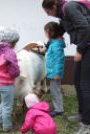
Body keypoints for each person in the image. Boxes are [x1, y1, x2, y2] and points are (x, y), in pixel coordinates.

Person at [42, 0, 90, 133]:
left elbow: (85, 27)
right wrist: (46, 45)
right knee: (77, 82)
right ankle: (82, 114)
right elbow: (59, 32)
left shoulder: (69, 7)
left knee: (85, 85)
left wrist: (79, 51)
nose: (48, 15)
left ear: (54, 7)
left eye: (48, 12)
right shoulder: (63, 15)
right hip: (85, 46)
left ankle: (86, 124)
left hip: (87, 47)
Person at [0, 27, 20, 133]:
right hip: (6, 84)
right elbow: (14, 71)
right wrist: (17, 74)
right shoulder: (9, 53)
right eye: (15, 42)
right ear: (11, 42)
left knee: (3, 103)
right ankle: (7, 127)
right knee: (7, 107)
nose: (16, 44)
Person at [33, 22, 65, 117]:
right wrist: (39, 50)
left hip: (55, 72)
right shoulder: (53, 42)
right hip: (52, 71)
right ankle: (56, 106)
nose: (45, 35)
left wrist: (57, 73)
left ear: (52, 33)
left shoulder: (56, 45)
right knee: (55, 91)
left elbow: (58, 60)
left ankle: (59, 109)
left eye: (46, 33)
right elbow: (46, 49)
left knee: (55, 91)